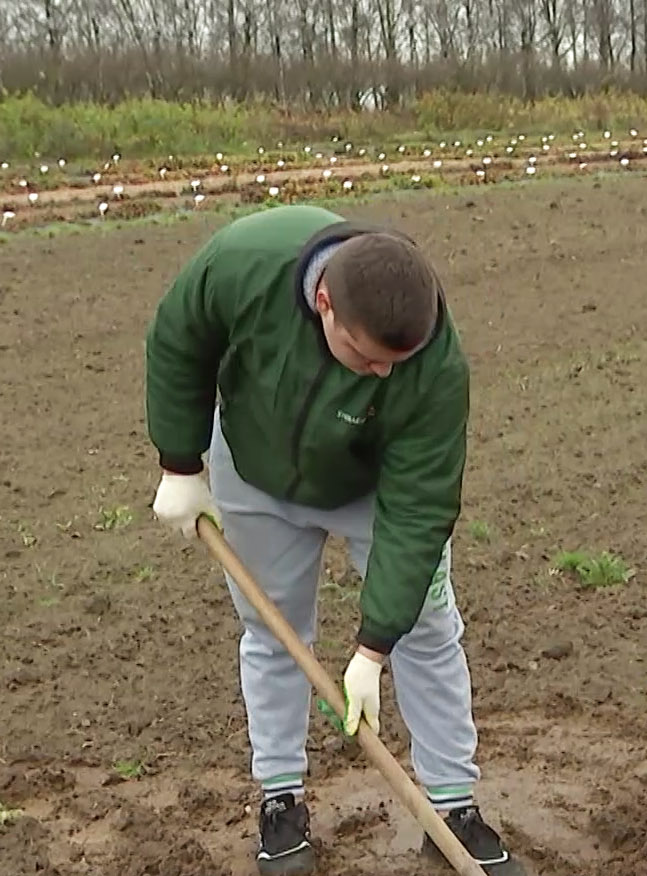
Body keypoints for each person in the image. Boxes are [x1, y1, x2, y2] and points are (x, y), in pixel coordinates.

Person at [143, 204, 525, 876]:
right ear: (323, 303)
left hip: (372, 488)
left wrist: (373, 648)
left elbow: (420, 505)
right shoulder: (246, 261)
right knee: (271, 629)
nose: (380, 374)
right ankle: (281, 798)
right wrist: (181, 463)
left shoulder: (433, 368)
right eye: (366, 357)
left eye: (393, 364)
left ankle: (451, 808)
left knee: (428, 633)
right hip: (254, 469)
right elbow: (180, 334)